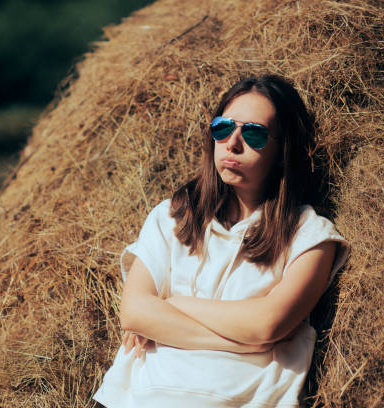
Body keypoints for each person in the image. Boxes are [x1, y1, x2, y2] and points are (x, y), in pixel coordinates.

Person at [92, 74, 350, 408]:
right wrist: (248, 341)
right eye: (223, 127)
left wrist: (174, 304)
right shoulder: (173, 217)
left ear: (283, 151)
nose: (233, 143)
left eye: (254, 133)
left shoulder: (310, 237)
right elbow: (135, 312)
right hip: (138, 397)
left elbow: (267, 324)